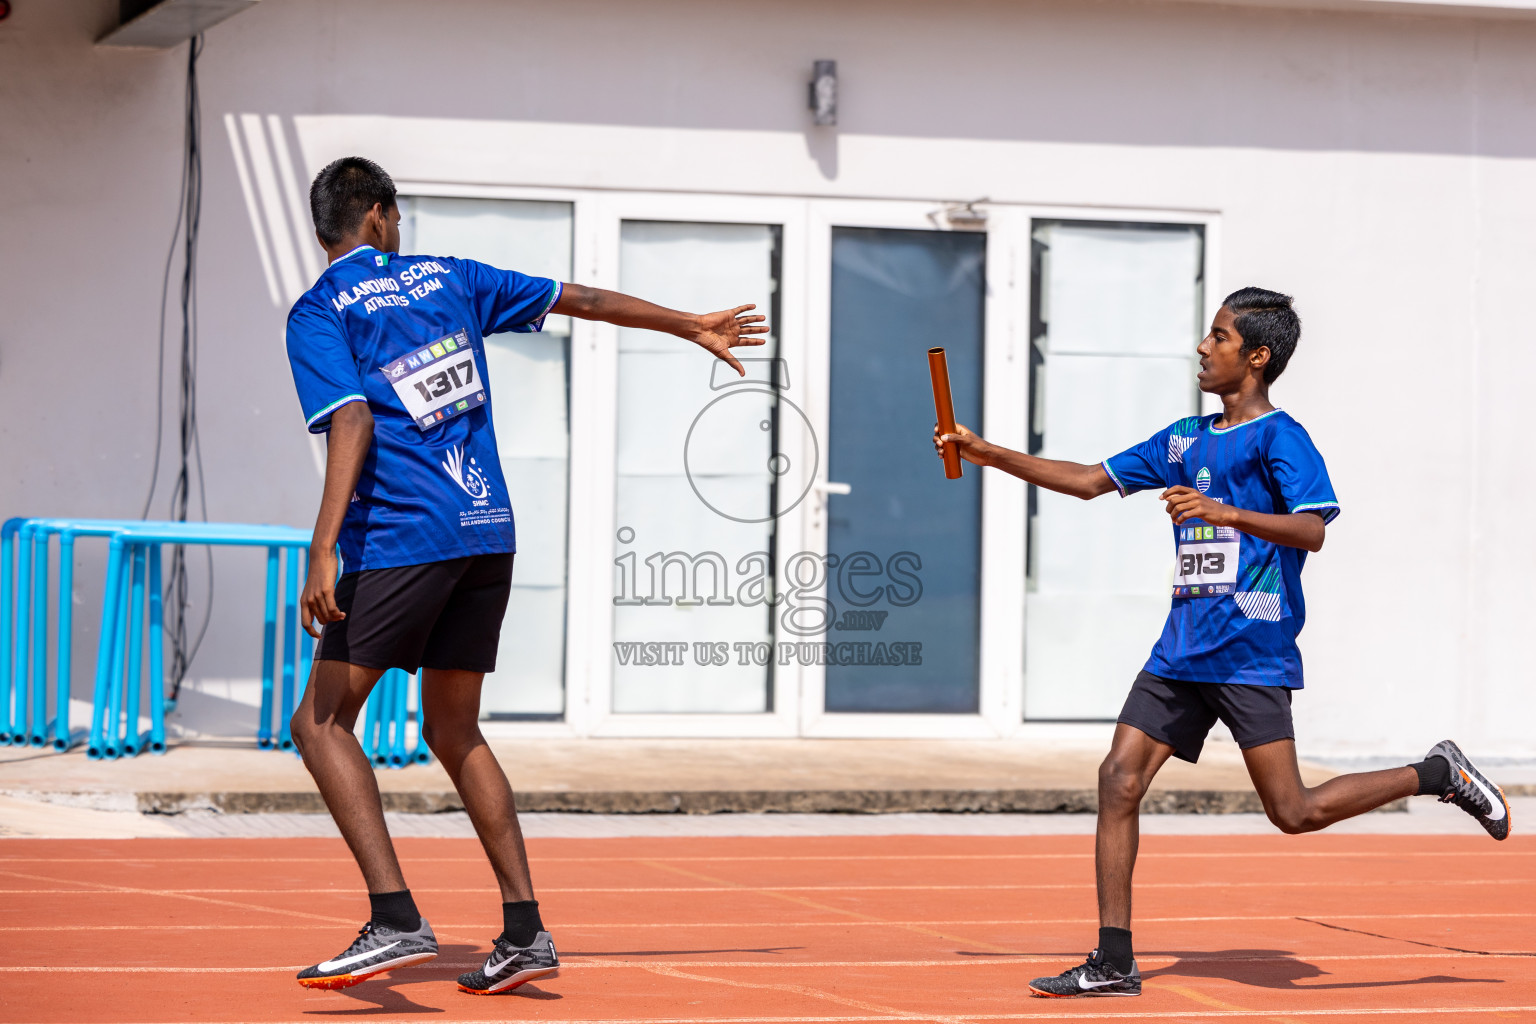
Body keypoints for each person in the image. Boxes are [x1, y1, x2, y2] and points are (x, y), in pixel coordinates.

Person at [935, 286, 1511, 999]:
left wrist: (1221, 510)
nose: (1203, 348)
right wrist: (985, 452)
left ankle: (1436, 773)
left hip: (1251, 645)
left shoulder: (1281, 438)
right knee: (1118, 779)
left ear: (1257, 357)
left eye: (1218, 338)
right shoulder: (1183, 439)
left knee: (1293, 813)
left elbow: (1313, 530)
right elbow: (1087, 480)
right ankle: (1113, 960)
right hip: (1181, 647)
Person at [284, 156, 768, 993]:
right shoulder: (453, 277)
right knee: (454, 728)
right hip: (485, 531)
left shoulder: (321, 307)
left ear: (327, 227)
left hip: (402, 536)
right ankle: (524, 931)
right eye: (396, 219)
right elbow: (581, 298)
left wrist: (323, 544)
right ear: (380, 216)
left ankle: (394, 918)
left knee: (321, 722)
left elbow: (352, 419)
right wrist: (688, 323)